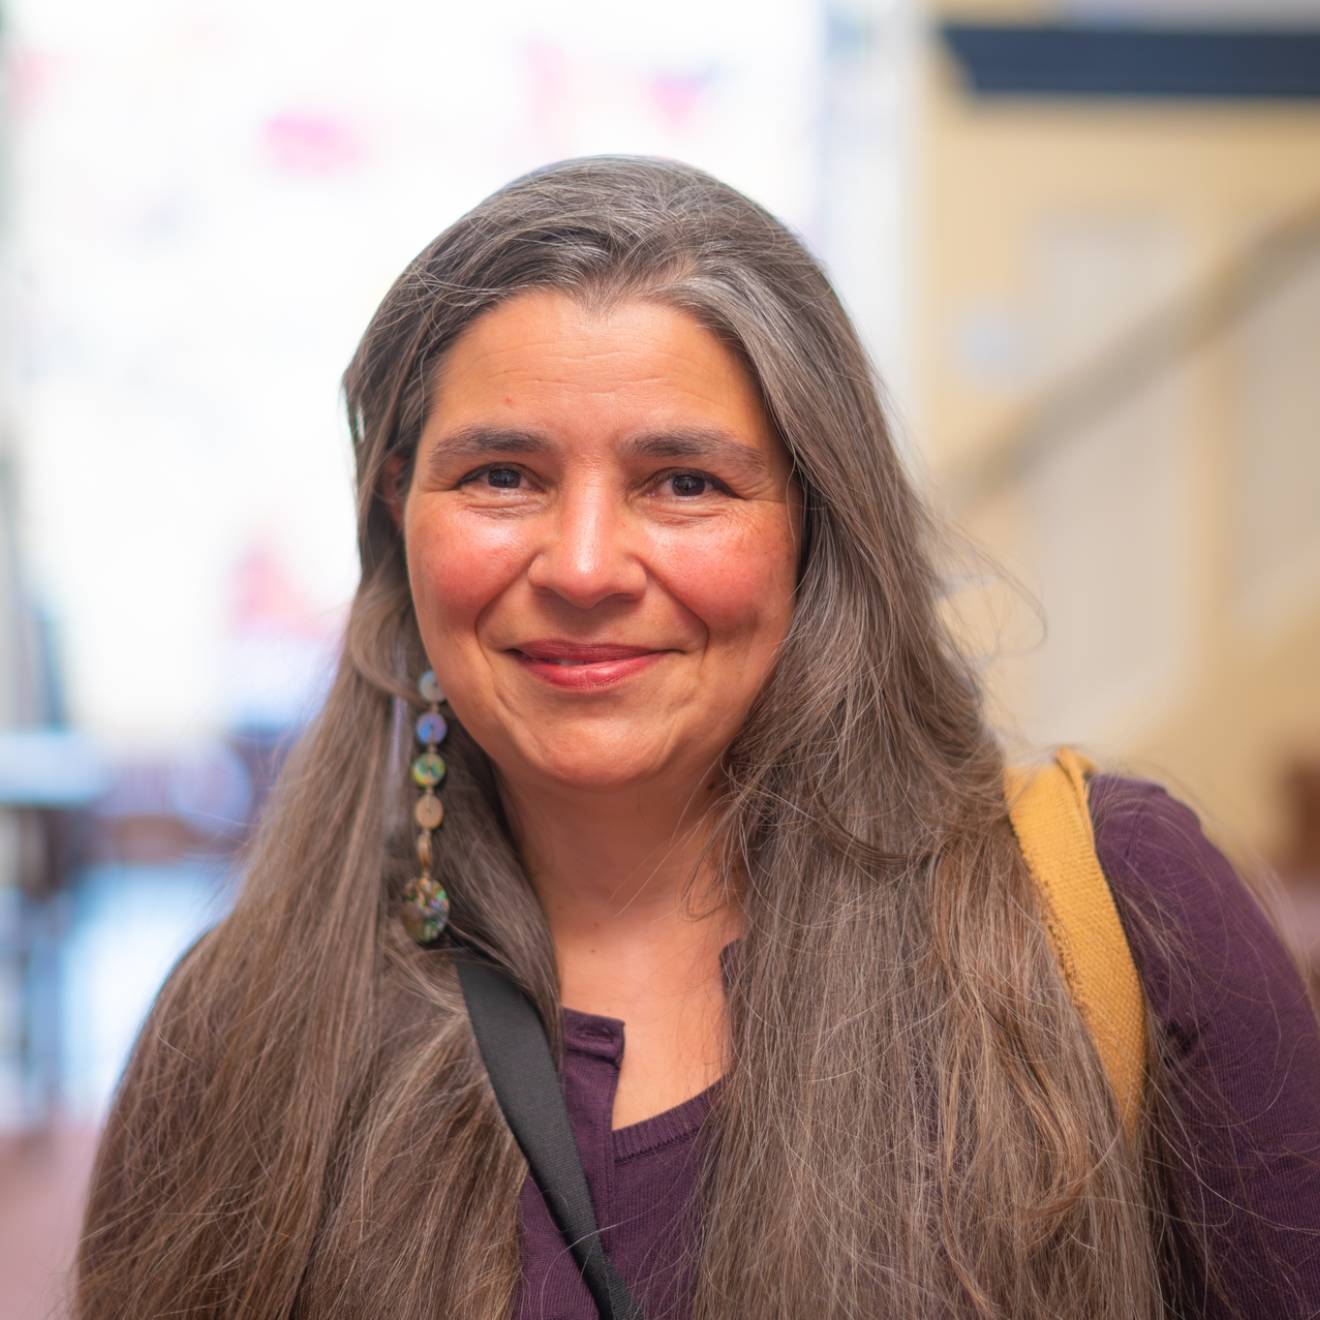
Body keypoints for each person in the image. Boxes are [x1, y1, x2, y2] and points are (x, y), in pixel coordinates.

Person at [74, 156, 1320, 1319]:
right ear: (398, 511)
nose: (581, 566)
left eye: (685, 482)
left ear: (815, 531)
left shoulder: (1111, 916)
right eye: (503, 474)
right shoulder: (239, 1028)